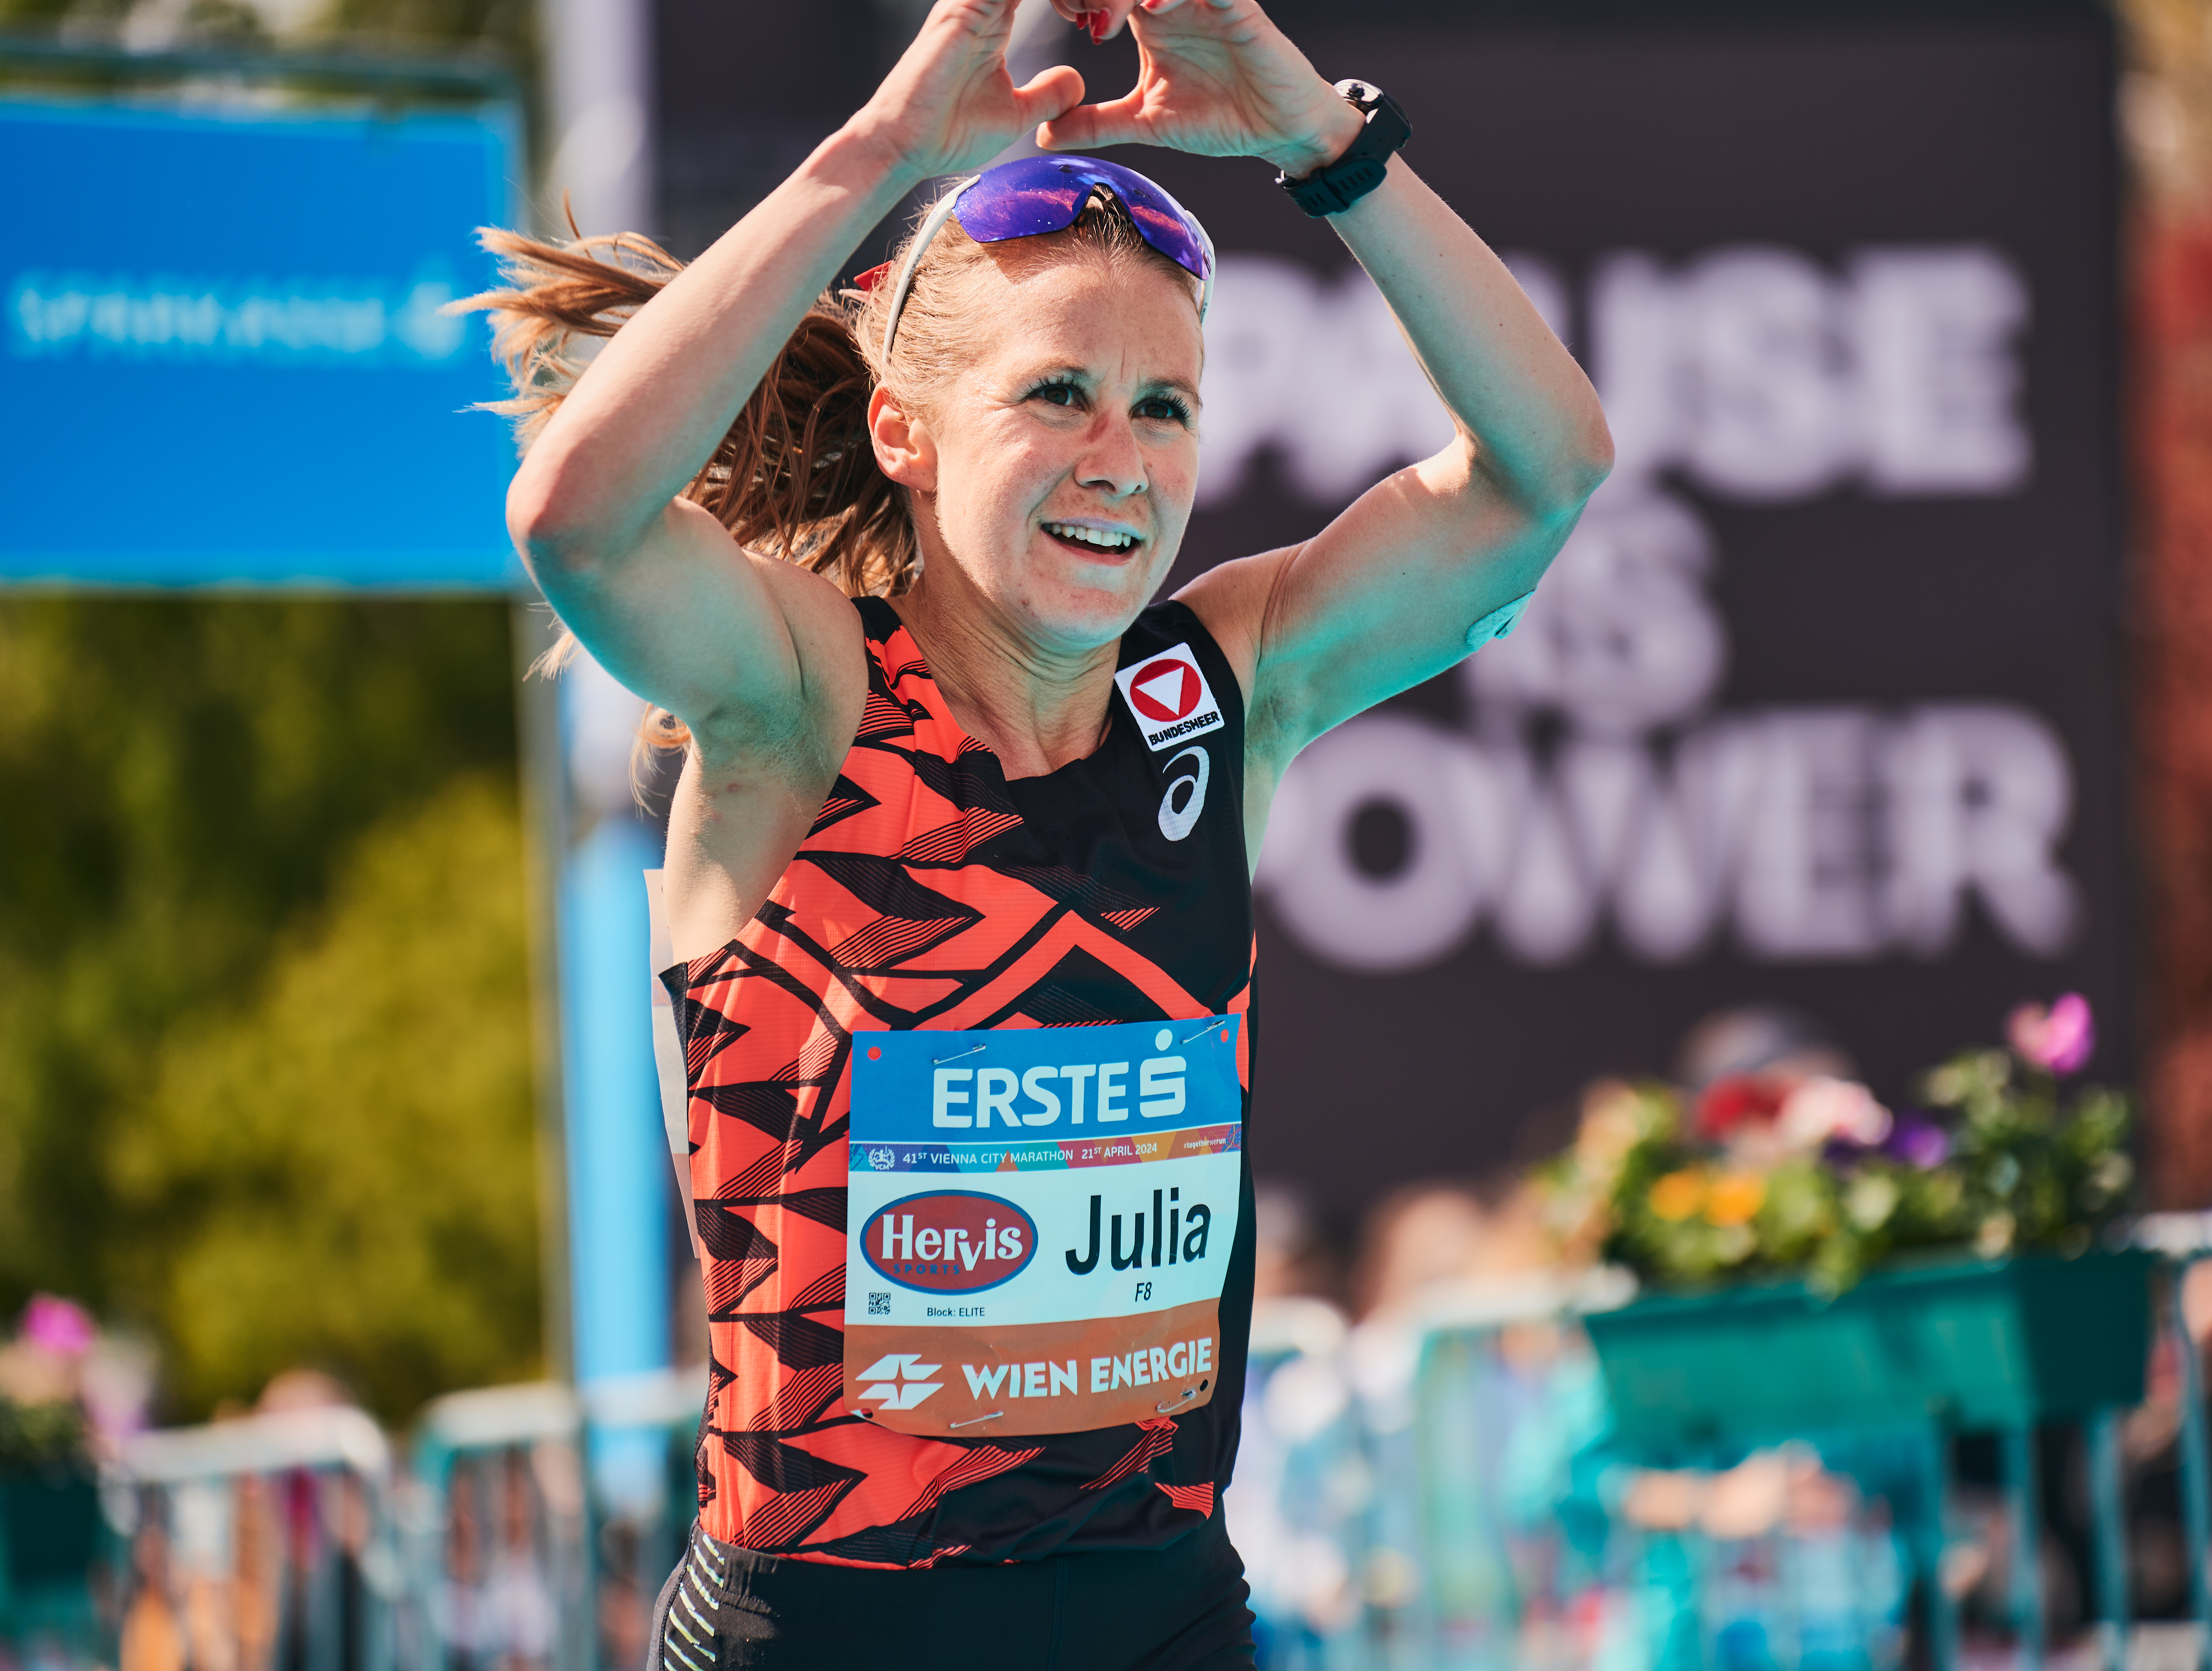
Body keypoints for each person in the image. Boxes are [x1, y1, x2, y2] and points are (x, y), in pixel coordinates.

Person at [474, 0, 1610, 1658]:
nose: (1120, 459)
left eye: (1166, 408)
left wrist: (1330, 147)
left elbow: (1546, 472)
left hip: (1155, 1613)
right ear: (905, 432)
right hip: (831, 1622)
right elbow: (575, 521)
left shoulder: (1225, 687)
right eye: (1059, 392)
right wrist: (875, 163)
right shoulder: (802, 697)